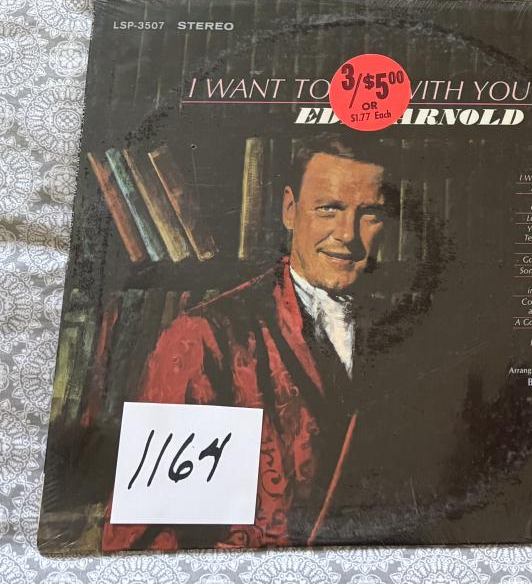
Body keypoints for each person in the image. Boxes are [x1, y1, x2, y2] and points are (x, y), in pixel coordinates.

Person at [103, 134, 402, 550]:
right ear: (290, 210)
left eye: (369, 214)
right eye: (328, 209)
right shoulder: (205, 338)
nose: (346, 235)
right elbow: (152, 538)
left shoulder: (409, 335)